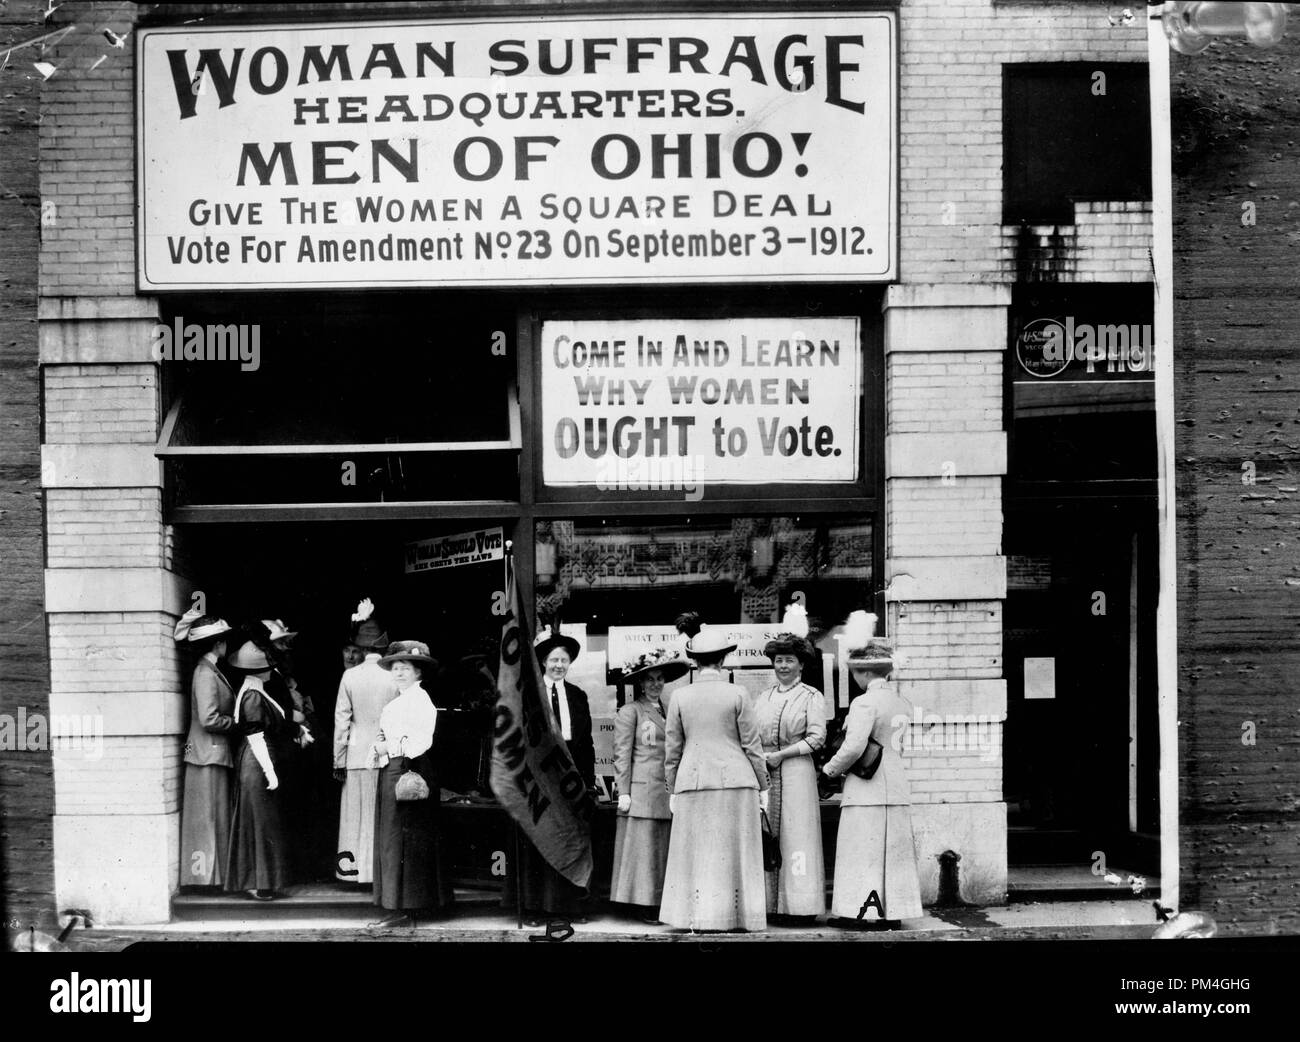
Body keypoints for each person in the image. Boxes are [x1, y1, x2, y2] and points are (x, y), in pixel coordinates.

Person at [660, 627, 770, 932]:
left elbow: (673, 749)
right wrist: (764, 785)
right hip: (737, 780)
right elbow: (752, 745)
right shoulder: (738, 693)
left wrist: (672, 787)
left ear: (694, 661)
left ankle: (697, 916)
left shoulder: (679, 696)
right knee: (736, 852)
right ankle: (738, 917)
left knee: (697, 852)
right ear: (723, 660)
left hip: (693, 781)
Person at [822, 617, 922, 929]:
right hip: (896, 785)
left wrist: (828, 770)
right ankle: (892, 913)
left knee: (863, 852)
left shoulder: (864, 703)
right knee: (893, 854)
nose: (854, 678)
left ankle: (864, 914)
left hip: (867, 789)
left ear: (865, 672)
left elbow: (853, 748)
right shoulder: (902, 702)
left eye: (855, 672)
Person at [502, 626, 595, 925]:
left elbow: (587, 743)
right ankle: (534, 908)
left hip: (569, 779)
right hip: (538, 778)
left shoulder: (578, 696)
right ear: (543, 662)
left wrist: (588, 783)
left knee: (571, 839)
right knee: (539, 839)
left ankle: (569, 907)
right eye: (553, 660)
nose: (558, 665)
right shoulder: (528, 696)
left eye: (564, 660)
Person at [370, 640, 452, 926]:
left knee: (405, 839)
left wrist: (389, 748)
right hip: (393, 769)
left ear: (419, 672)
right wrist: (381, 747)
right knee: (395, 837)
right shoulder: (397, 701)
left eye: (406, 668)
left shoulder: (420, 700)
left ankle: (407, 907)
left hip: (410, 771)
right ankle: (399, 904)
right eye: (396, 667)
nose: (400, 672)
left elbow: (420, 741)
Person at [611, 647, 688, 922]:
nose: (656, 684)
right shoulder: (631, 711)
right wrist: (624, 791)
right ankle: (643, 905)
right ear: (640, 683)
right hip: (642, 789)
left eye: (660, 679)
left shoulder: (671, 709)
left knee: (660, 849)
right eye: (650, 679)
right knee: (643, 851)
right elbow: (622, 753)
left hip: (666, 789)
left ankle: (659, 902)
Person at [757, 621, 828, 920]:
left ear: (801, 665)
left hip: (797, 771)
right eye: (779, 660)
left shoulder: (812, 696)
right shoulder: (763, 697)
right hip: (766, 773)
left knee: (797, 836)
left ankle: (799, 907)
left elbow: (817, 738)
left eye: (789, 660)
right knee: (767, 835)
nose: (783, 666)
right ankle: (769, 905)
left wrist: (781, 755)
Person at [224, 640, 296, 900]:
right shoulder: (253, 695)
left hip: (257, 760)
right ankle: (256, 882)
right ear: (257, 670)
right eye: (268, 666)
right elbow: (256, 737)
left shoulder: (255, 689)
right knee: (258, 821)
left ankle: (261, 880)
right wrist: (270, 771)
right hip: (256, 761)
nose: (271, 670)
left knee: (260, 821)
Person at [333, 599, 397, 885]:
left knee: (353, 817)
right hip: (383, 755)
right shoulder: (394, 677)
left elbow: (342, 723)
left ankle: (352, 872)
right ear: (381, 647)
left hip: (356, 755)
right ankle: (377, 873)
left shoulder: (349, 676)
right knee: (378, 816)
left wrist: (338, 759)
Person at [177, 613, 235, 888]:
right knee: (207, 819)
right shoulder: (205, 673)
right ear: (218, 643)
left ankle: (213, 877)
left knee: (212, 817)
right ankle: (204, 879)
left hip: (211, 753)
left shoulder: (209, 671)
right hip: (207, 753)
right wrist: (236, 723)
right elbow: (209, 719)